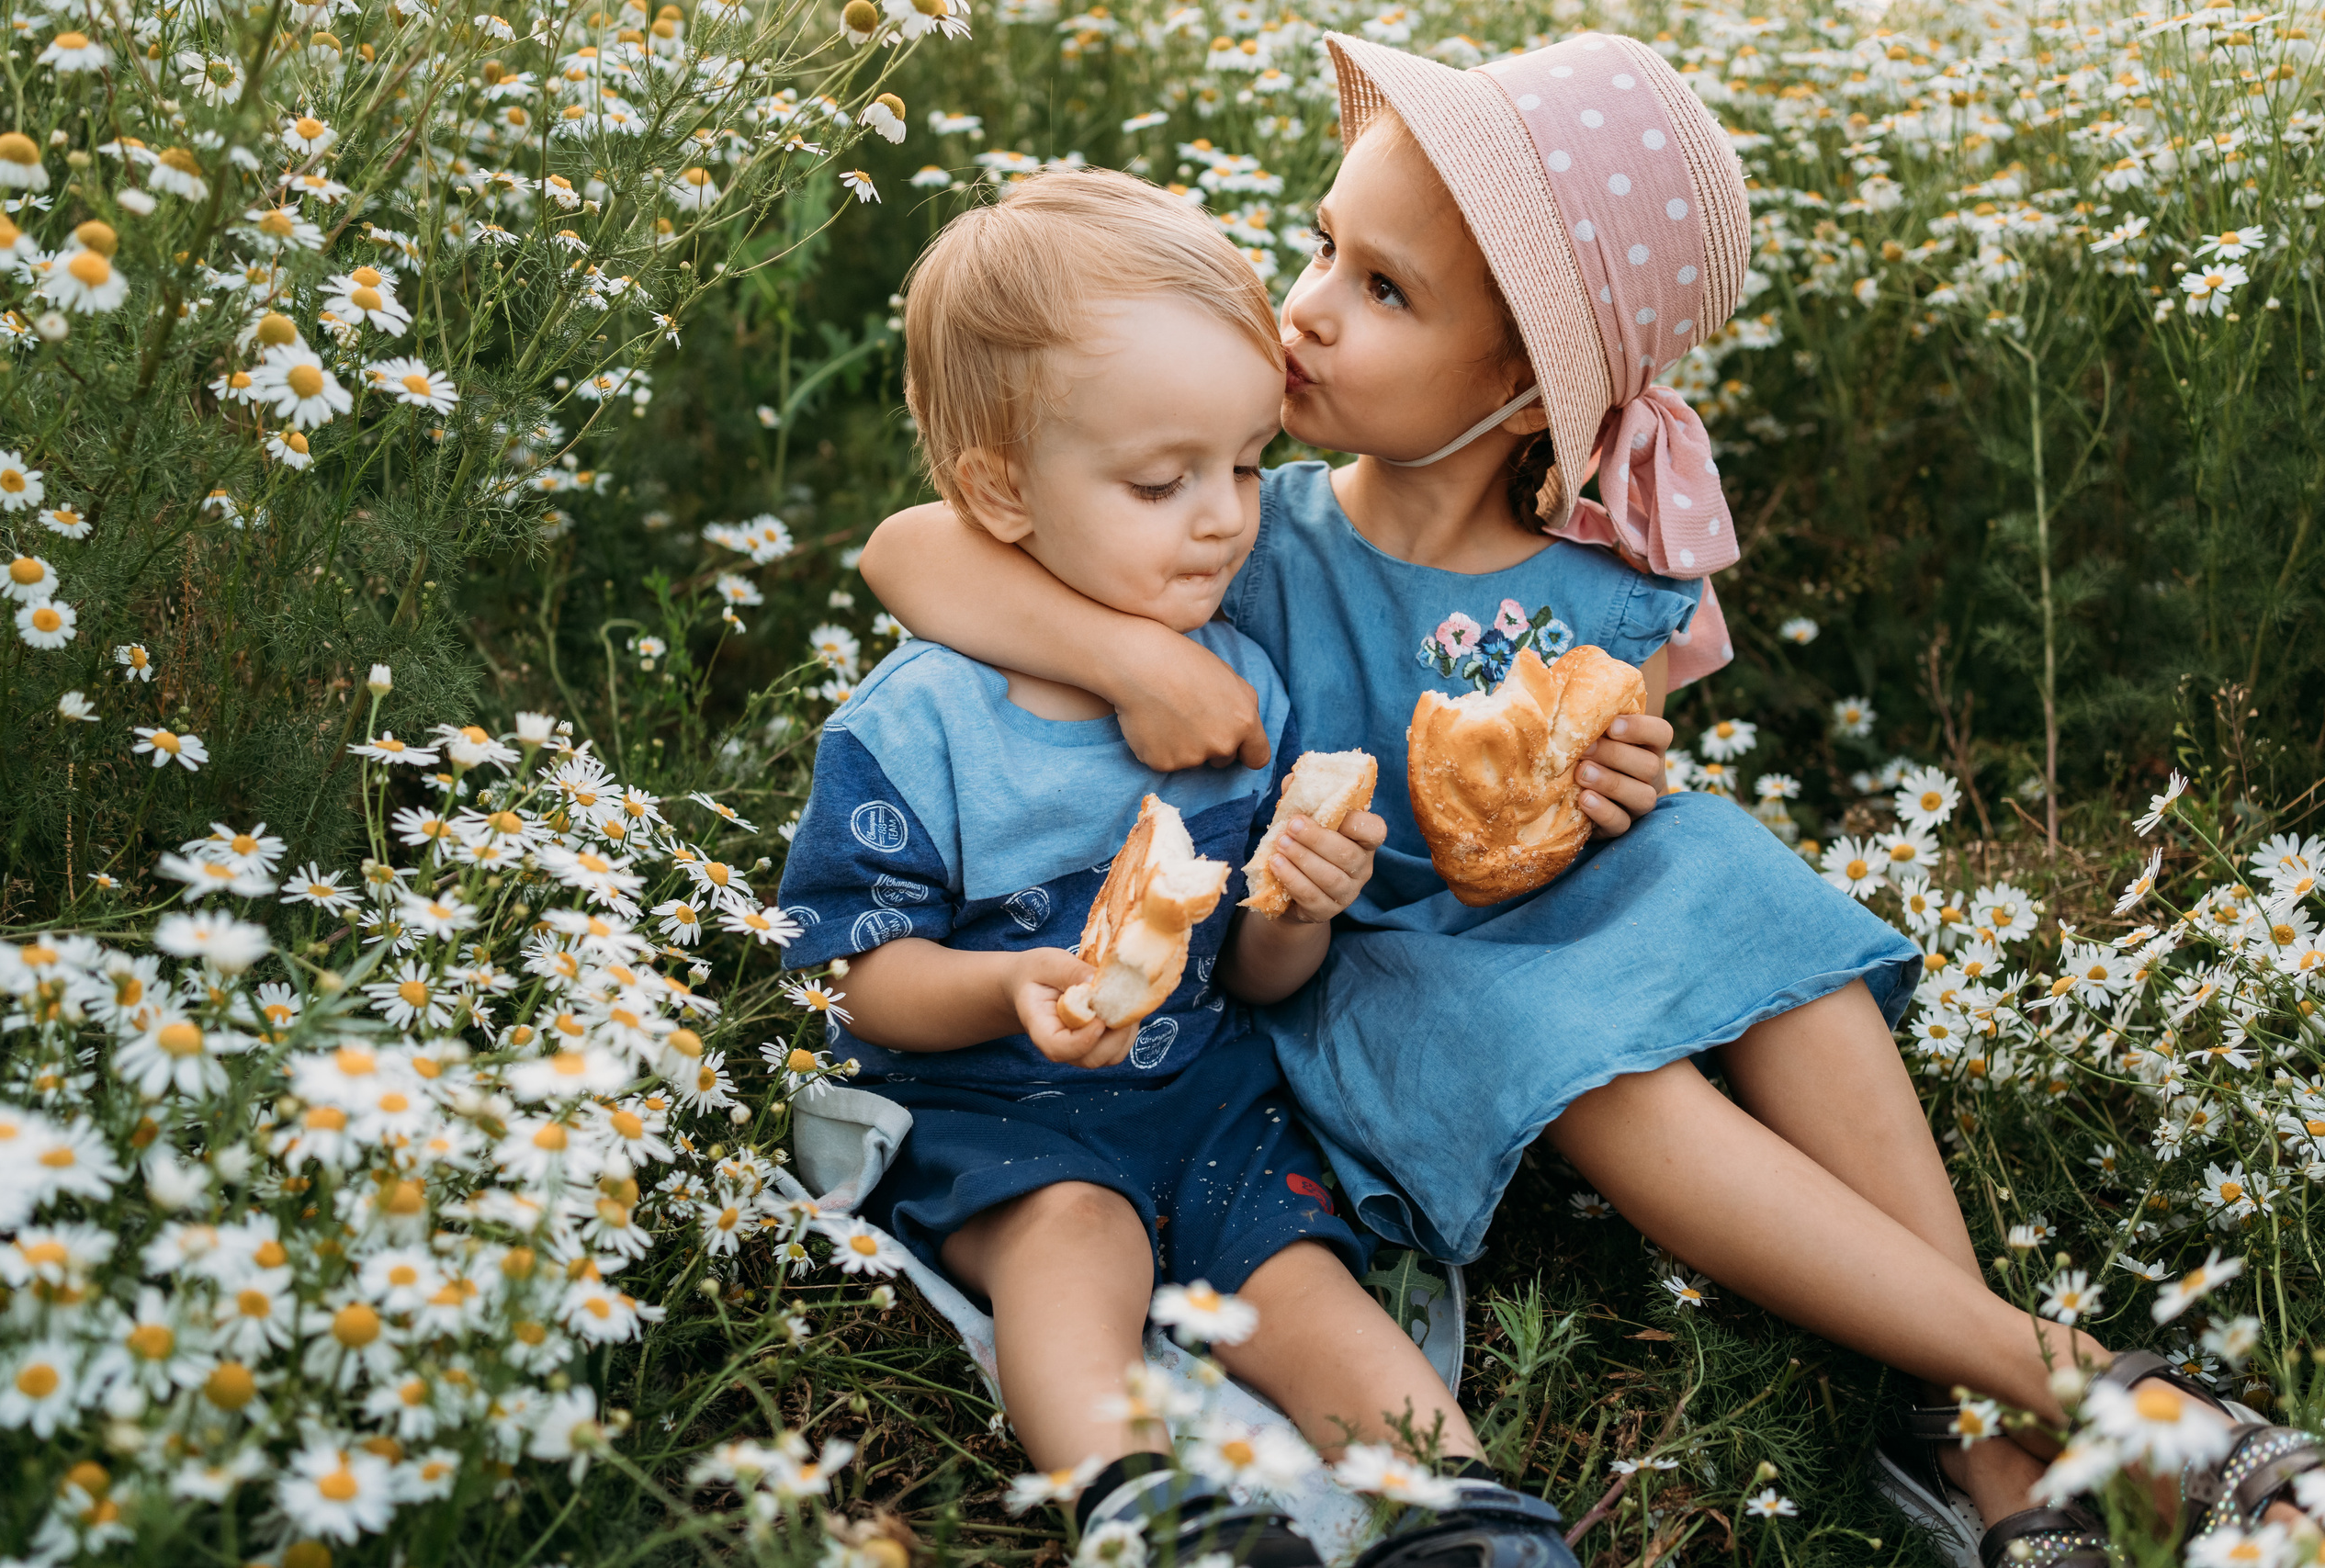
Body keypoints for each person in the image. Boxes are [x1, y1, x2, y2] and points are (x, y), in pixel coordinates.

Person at [858, 32, 2323, 1566]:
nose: (1307, 307)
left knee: (1727, 877)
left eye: (1384, 289)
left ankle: (1964, 1427)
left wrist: (1619, 785)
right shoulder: (1242, 530)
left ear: (1520, 386)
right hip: (1352, 965)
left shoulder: (1606, 583)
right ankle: (2076, 1390)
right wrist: (1129, 659)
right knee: (1597, 1056)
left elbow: (1587, 814)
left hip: (1524, 927)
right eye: (1324, 245)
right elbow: (913, 548)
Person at [778, 167, 1575, 1568]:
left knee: (1300, 1275)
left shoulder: (1244, 684)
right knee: (1072, 1236)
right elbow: (856, 983)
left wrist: (1297, 907)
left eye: (1247, 467)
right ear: (1000, 493)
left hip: (1206, 1096)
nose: (1223, 519)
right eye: (1162, 483)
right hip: (990, 1105)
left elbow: (1255, 979)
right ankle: (1137, 1500)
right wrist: (1009, 986)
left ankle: (1458, 1506)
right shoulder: (922, 725)